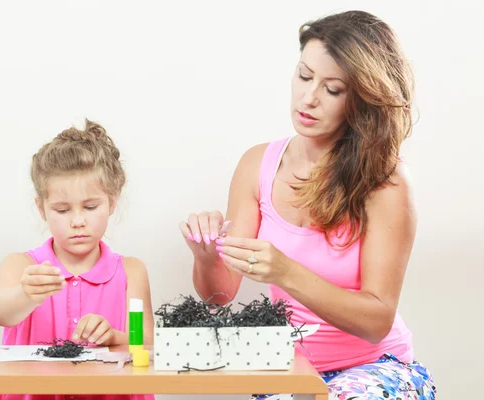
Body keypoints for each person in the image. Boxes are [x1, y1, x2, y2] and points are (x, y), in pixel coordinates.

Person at [179, 10, 436, 400]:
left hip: (375, 369)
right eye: (303, 76)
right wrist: (206, 256)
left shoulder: (386, 183)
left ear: (362, 99)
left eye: (332, 89)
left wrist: (285, 271)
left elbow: (377, 320)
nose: (309, 98)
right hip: (290, 372)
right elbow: (222, 294)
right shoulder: (257, 165)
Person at [0, 119, 155, 400]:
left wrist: (114, 337)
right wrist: (26, 294)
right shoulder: (21, 266)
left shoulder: (130, 271)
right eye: (62, 210)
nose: (78, 221)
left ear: (113, 202)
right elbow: (2, 314)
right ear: (41, 208)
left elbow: (148, 346)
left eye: (90, 207)